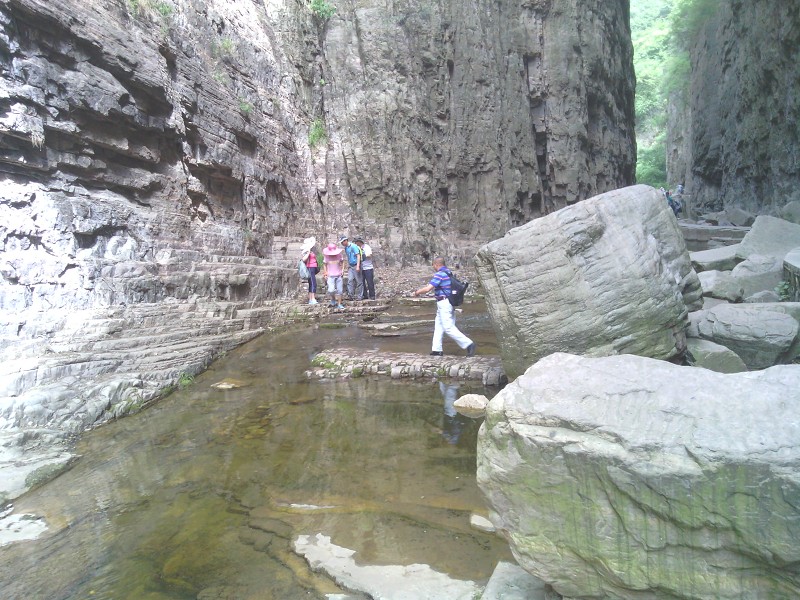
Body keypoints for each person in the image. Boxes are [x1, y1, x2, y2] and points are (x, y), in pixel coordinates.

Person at [412, 257, 476, 357]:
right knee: (439, 326)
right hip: (446, 303)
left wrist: (417, 292)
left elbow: (428, 288)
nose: (433, 267)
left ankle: (468, 344)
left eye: (433, 265)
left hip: (444, 303)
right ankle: (437, 350)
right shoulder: (448, 272)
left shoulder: (440, 274)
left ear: (436, 264)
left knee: (448, 327)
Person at [322, 242, 345, 309]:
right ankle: (333, 299)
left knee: (340, 290)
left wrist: (342, 270)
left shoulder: (339, 255)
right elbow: (324, 264)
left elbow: (343, 262)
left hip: (338, 275)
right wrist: (325, 272)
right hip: (330, 275)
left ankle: (339, 304)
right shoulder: (326, 257)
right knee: (331, 290)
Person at [341, 235, 363, 300]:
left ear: (346, 241)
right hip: (351, 265)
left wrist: (358, 266)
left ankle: (360, 296)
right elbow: (348, 256)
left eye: (343, 242)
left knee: (359, 281)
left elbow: (358, 255)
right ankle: (350, 295)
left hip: (356, 264)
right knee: (350, 280)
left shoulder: (353, 246)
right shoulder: (346, 248)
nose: (342, 243)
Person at [354, 236, 375, 300]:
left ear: (359, 242)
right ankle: (364, 295)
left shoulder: (366, 247)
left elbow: (370, 255)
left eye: (356, 242)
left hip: (368, 267)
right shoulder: (356, 248)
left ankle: (372, 295)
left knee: (370, 282)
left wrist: (363, 256)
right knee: (362, 282)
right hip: (361, 268)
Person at [300, 236, 318, 305]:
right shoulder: (307, 251)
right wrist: (308, 253)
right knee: (313, 283)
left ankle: (311, 298)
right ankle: (312, 298)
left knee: (311, 283)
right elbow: (304, 259)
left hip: (313, 267)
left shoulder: (311, 251)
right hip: (310, 267)